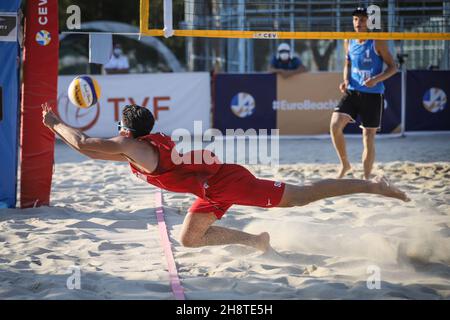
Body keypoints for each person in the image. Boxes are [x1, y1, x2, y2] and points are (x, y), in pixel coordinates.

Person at [42, 103, 409, 253]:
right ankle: (257, 241)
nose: (117, 134)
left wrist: (54, 122)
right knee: (189, 238)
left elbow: (85, 143)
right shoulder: (136, 146)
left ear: (128, 132)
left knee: (303, 195)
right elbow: (90, 149)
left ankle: (373, 185)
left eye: (120, 129)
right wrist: (70, 134)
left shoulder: (134, 148)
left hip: (228, 182)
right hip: (209, 187)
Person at [330, 7, 398, 180]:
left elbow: (393, 67)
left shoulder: (377, 41)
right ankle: (345, 164)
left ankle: (366, 178)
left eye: (361, 19)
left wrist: (376, 79)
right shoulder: (349, 40)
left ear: (368, 21)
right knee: (335, 125)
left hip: (373, 95)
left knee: (368, 138)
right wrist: (345, 79)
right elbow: (348, 63)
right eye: (355, 19)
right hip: (353, 92)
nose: (358, 23)